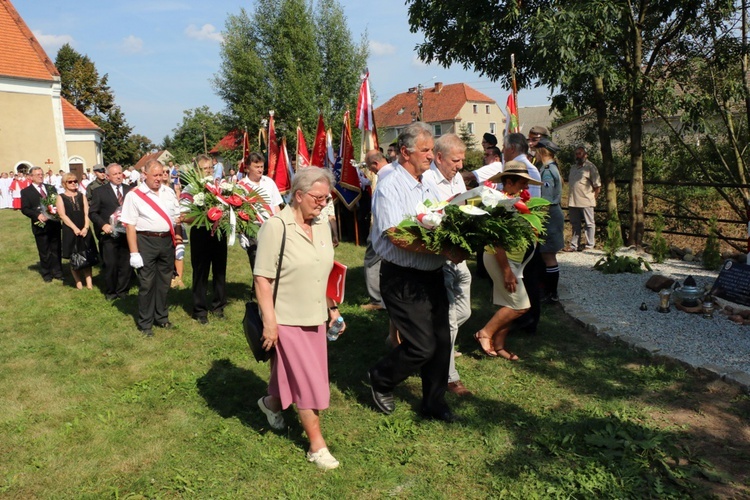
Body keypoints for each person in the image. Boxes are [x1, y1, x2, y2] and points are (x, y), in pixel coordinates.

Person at [367, 122, 465, 423]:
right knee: (422, 345)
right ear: (406, 152)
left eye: (431, 150)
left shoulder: (427, 183)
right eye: (425, 150)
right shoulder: (389, 186)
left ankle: (433, 402)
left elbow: (438, 221)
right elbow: (397, 235)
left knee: (441, 342)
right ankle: (380, 378)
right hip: (403, 278)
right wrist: (442, 249)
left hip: (432, 275)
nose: (430, 155)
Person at [254, 167, 343, 470]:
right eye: (318, 198)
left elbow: (324, 270)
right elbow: (262, 279)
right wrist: (270, 322)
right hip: (287, 318)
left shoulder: (319, 225)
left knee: (292, 375)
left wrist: (331, 307)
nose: (323, 203)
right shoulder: (276, 227)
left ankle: (270, 404)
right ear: (299, 195)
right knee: (307, 381)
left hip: (316, 315)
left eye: (326, 198)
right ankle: (317, 446)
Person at [474, 161, 542, 361]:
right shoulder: (501, 204)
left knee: (508, 305)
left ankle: (500, 345)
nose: (526, 187)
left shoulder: (513, 201)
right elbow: (496, 240)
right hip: (501, 259)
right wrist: (506, 270)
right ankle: (484, 333)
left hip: (514, 261)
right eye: (522, 183)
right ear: (509, 181)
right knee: (520, 306)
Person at [422, 133, 473, 397]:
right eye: (456, 160)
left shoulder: (457, 179)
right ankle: (449, 376)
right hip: (440, 256)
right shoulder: (427, 180)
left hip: (459, 256)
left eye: (462, 159)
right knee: (450, 319)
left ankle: (426, 345)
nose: (460, 165)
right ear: (439, 158)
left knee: (464, 312)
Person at [120, 159, 178, 337]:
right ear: (144, 175)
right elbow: (129, 225)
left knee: (164, 282)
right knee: (146, 283)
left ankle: (161, 317)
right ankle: (145, 323)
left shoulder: (168, 192)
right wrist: (134, 252)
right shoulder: (134, 195)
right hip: (146, 241)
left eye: (161, 174)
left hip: (166, 241)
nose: (159, 178)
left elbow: (176, 217)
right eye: (155, 175)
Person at [186, 154, 228, 324]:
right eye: (205, 168)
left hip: (219, 233)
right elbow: (185, 216)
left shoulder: (221, 187)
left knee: (219, 271)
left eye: (211, 167)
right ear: (197, 170)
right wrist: (204, 215)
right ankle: (200, 310)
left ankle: (219, 306)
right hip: (200, 232)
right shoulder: (190, 188)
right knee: (201, 272)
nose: (210, 171)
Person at [89, 163, 132, 300]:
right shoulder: (99, 192)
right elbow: (93, 213)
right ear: (108, 176)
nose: (119, 176)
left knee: (126, 263)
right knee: (111, 264)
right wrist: (103, 225)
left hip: (127, 233)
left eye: (120, 173)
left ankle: (123, 290)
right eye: (115, 174)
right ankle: (111, 291)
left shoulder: (130, 190)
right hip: (109, 235)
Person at [238, 152, 284, 273]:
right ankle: (257, 290)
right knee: (257, 261)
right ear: (248, 167)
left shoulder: (269, 182)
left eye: (262, 167)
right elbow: (238, 211)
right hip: (254, 227)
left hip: (272, 225)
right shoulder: (241, 186)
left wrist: (280, 224)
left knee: (274, 260)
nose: (260, 170)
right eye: (256, 167)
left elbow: (276, 205)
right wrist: (241, 233)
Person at [20, 166, 63, 282]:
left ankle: (58, 272)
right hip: (40, 225)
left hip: (54, 223)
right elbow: (25, 208)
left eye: (41, 174)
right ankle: (47, 273)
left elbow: (57, 202)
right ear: (31, 177)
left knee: (56, 248)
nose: (40, 176)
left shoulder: (50, 188)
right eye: (37, 174)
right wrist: (37, 215)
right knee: (44, 250)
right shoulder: (26, 192)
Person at [360, 150, 391, 312]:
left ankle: (377, 299)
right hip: (389, 224)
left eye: (369, 167)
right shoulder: (396, 171)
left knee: (372, 259)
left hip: (382, 225)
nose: (369, 171)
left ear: (375, 164)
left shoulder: (386, 176)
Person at [536, 137, 564, 302]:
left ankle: (551, 293)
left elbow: (545, 199)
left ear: (542, 151)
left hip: (549, 214)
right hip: (553, 212)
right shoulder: (551, 168)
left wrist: (540, 219)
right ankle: (549, 292)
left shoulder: (547, 170)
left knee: (548, 256)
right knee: (547, 255)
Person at [56, 173, 96, 290]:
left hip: (83, 227)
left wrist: (86, 227)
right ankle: (78, 282)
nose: (73, 183)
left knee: (87, 255)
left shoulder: (81, 195)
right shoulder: (61, 197)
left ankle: (89, 283)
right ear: (64, 184)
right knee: (74, 256)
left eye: (75, 181)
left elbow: (86, 212)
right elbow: (62, 215)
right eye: (70, 181)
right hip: (70, 229)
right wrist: (75, 229)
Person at [565, 146, 602, 252]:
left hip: (586, 200)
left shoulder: (591, 167)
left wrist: (593, 198)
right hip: (573, 201)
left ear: (586, 154)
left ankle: (590, 245)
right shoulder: (573, 167)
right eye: (576, 153)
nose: (578, 156)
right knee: (575, 224)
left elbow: (597, 186)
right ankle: (574, 245)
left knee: (589, 223)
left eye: (580, 153)